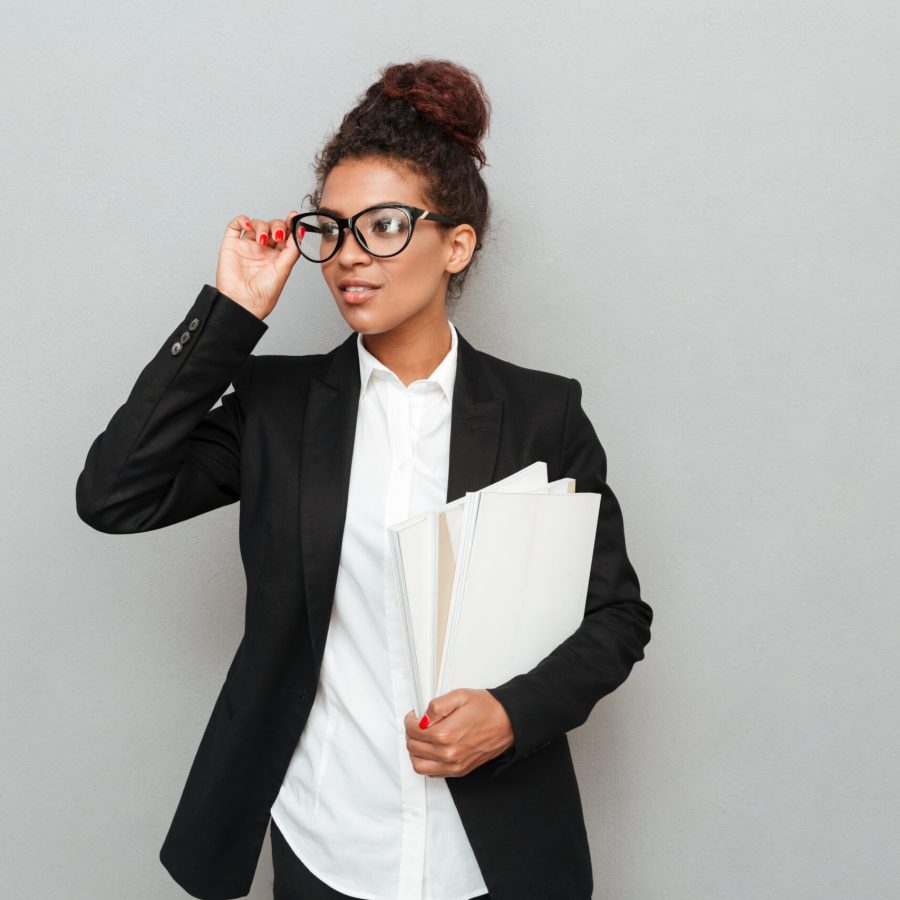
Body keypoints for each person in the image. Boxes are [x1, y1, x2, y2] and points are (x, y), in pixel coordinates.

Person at [75, 58, 652, 900]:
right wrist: (230, 311)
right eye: (332, 229)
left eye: (382, 226)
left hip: (489, 852)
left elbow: (615, 615)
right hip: (326, 839)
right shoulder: (278, 409)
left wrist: (512, 714)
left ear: (457, 244)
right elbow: (114, 494)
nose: (349, 256)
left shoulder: (541, 416)